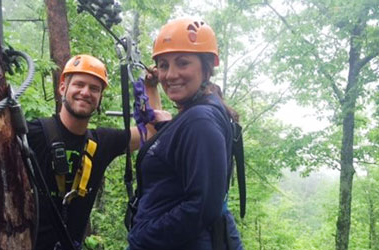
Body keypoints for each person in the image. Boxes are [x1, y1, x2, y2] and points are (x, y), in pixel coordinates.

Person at [27, 54, 166, 250]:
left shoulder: (102, 143)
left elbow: (151, 133)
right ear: (62, 88)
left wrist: (150, 87)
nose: (85, 92)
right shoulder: (32, 134)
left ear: (100, 98)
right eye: (79, 84)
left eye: (94, 88)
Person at [127, 17, 244, 250]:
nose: (170, 75)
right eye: (163, 65)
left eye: (182, 63)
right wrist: (153, 92)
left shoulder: (199, 120)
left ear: (206, 66)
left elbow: (201, 208)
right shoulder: (197, 114)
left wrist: (143, 237)